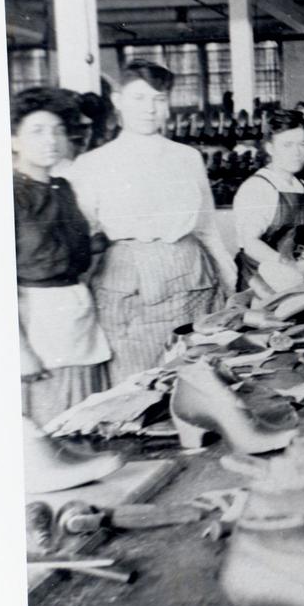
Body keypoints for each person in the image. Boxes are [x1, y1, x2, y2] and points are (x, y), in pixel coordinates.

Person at [68, 60, 235, 385]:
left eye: (159, 99)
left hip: (193, 277)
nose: (149, 108)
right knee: (136, 382)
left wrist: (228, 274)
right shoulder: (92, 164)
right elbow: (85, 237)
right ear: (118, 101)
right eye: (139, 98)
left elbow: (206, 227)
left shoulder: (187, 157)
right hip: (128, 284)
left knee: (198, 376)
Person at [12, 88, 112, 425]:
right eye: (37, 131)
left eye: (57, 130)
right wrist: (20, 351)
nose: (51, 140)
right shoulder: (8, 193)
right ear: (13, 140)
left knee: (84, 421)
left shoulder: (64, 188)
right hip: (36, 326)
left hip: (78, 321)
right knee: (51, 428)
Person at [232, 110, 304, 290]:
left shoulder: (302, 187)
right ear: (270, 148)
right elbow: (250, 243)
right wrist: (287, 265)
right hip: (259, 278)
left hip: (292, 274)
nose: (297, 153)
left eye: (302, 144)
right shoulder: (258, 188)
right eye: (287, 145)